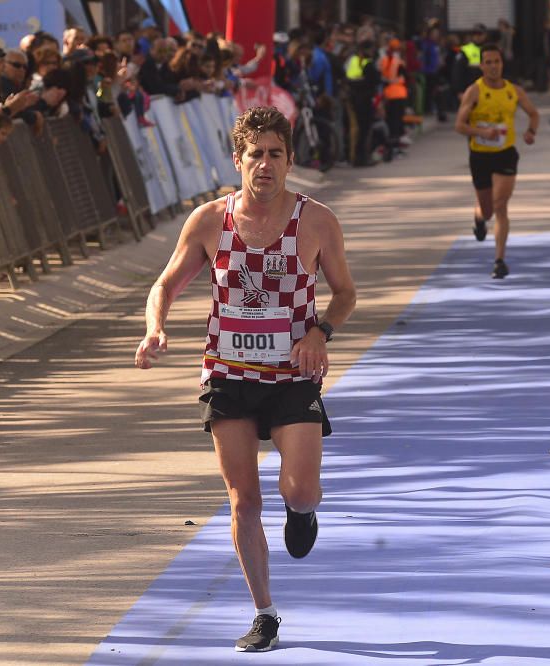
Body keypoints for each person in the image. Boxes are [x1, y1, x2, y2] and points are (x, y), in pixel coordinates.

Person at [134, 105, 356, 653]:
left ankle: (302, 514)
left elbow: (346, 293)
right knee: (243, 501)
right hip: (228, 375)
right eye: (254, 154)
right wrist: (155, 329)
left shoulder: (317, 220)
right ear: (238, 160)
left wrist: (320, 333)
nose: (264, 164)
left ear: (289, 160)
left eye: (274, 154)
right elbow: (163, 284)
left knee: (300, 489)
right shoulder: (211, 220)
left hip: (292, 374)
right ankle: (265, 614)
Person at [455, 43, 540, 280]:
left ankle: (499, 261)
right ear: (482, 66)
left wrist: (531, 131)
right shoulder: (475, 91)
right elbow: (459, 125)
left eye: (497, 62)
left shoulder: (514, 91)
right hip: (480, 155)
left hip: (505, 152)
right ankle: (479, 217)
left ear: (502, 64)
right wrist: (482, 132)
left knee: (501, 205)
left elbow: (533, 113)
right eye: (489, 62)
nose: (493, 67)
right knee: (488, 210)